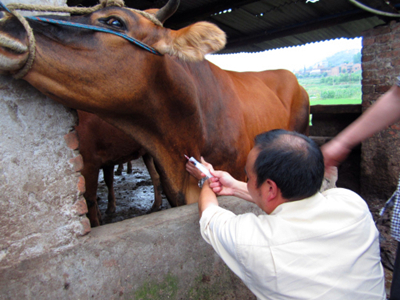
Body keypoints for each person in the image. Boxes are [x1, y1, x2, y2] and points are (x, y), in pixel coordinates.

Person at [187, 129, 386, 300]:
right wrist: (235, 187)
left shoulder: (253, 241)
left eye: (248, 176)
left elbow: (209, 215)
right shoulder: (353, 204)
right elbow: (287, 199)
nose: (246, 181)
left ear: (270, 188)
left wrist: (206, 179)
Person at [321, 79, 400, 300]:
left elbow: (397, 96)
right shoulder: (355, 207)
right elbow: (397, 97)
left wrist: (341, 143)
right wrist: (342, 143)